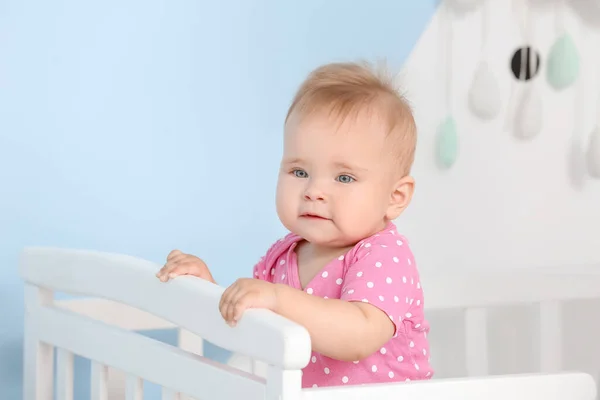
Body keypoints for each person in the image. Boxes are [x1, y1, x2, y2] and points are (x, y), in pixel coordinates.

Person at [156, 61, 433, 388]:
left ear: (395, 197)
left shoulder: (384, 255)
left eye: (344, 177)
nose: (314, 191)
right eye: (299, 172)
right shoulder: (284, 254)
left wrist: (276, 299)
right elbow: (251, 322)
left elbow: (359, 335)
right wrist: (211, 289)